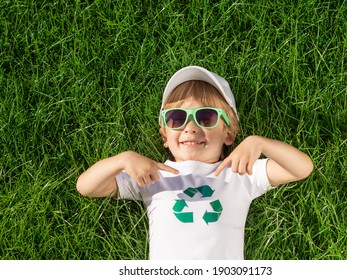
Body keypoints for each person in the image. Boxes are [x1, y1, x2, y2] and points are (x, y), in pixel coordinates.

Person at [76, 66, 314, 260]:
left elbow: (302, 168)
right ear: (164, 137)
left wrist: (260, 144)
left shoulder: (240, 173)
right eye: (177, 118)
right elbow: (87, 187)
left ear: (229, 135)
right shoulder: (151, 176)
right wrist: (122, 159)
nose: (190, 127)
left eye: (206, 117)